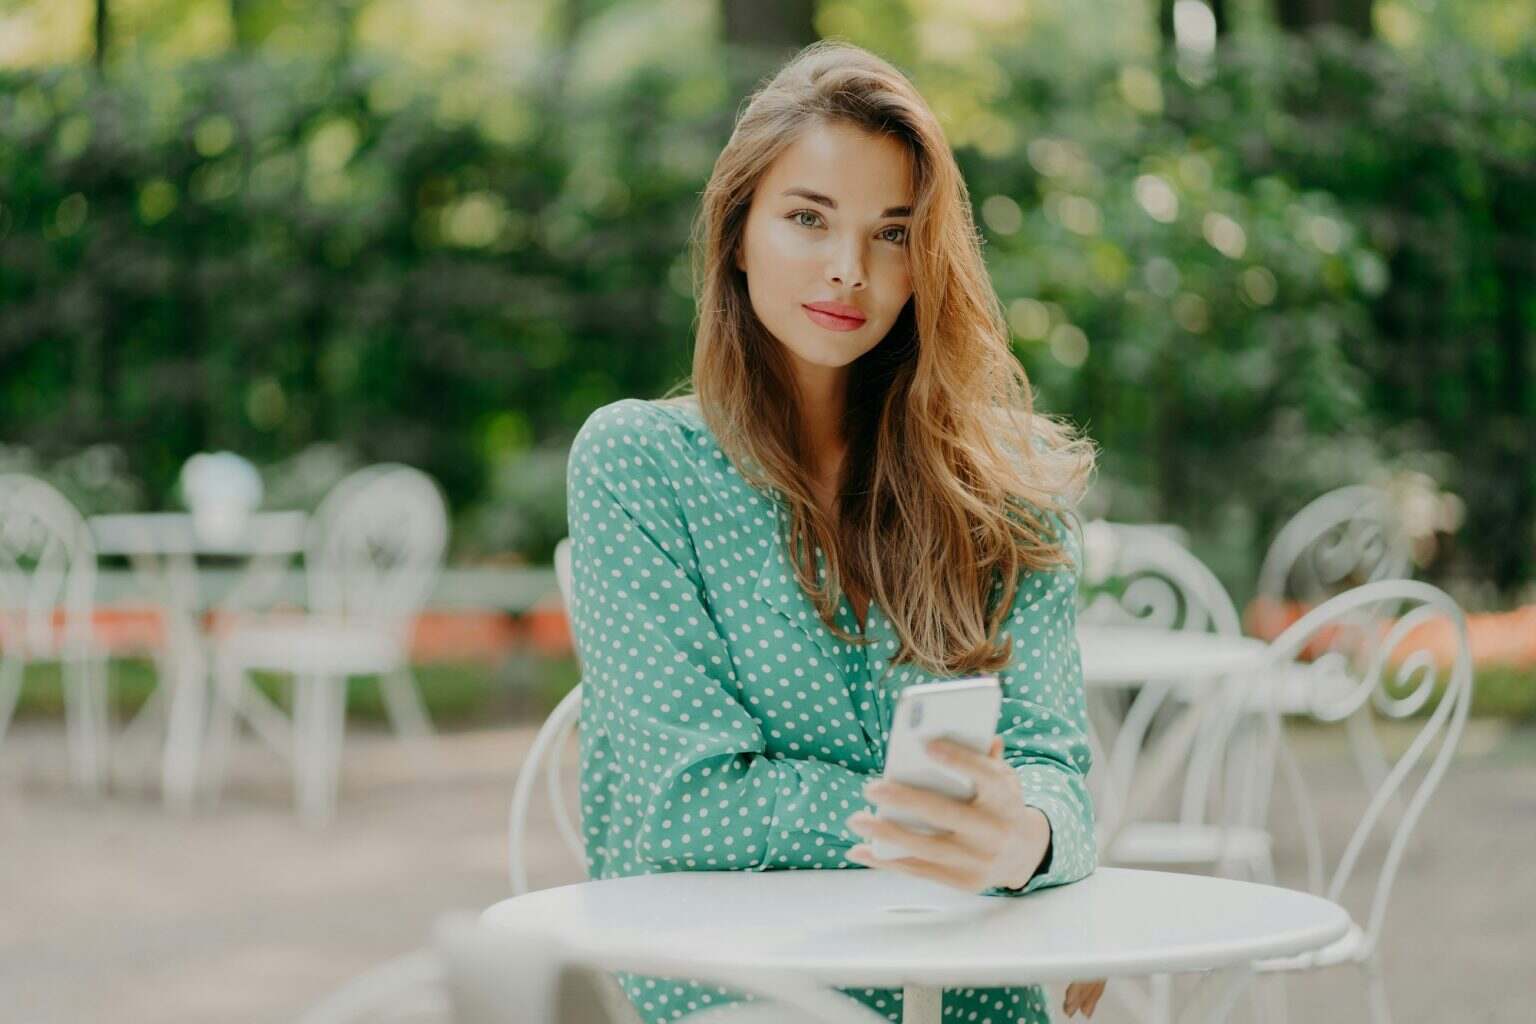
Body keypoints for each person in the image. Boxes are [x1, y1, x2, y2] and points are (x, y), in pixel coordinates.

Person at [564, 39, 1106, 1023]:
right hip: (743, 993)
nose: (847, 269)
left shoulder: (1004, 487)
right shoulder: (638, 465)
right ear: (738, 232)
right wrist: (948, 822)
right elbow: (685, 806)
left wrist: (1025, 840)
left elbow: (1055, 776)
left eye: (891, 233)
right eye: (807, 218)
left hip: (969, 987)